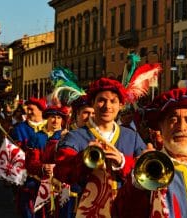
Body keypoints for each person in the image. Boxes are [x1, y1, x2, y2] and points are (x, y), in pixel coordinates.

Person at [112, 88, 187, 218]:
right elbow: (121, 213)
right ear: (161, 128)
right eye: (173, 120)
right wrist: (138, 185)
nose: (181, 127)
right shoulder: (145, 174)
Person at [54, 77, 147, 217]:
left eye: (113, 101)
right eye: (101, 100)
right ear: (93, 103)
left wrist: (123, 162)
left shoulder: (132, 137)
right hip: (86, 211)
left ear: (121, 105)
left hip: (125, 210)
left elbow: (147, 174)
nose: (107, 106)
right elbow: (62, 171)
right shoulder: (74, 136)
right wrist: (84, 158)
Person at [25, 105, 71, 217]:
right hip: (40, 180)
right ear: (47, 118)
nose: (56, 121)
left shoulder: (68, 136)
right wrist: (42, 167)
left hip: (62, 183)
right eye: (53, 117)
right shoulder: (37, 137)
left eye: (59, 118)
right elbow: (30, 162)